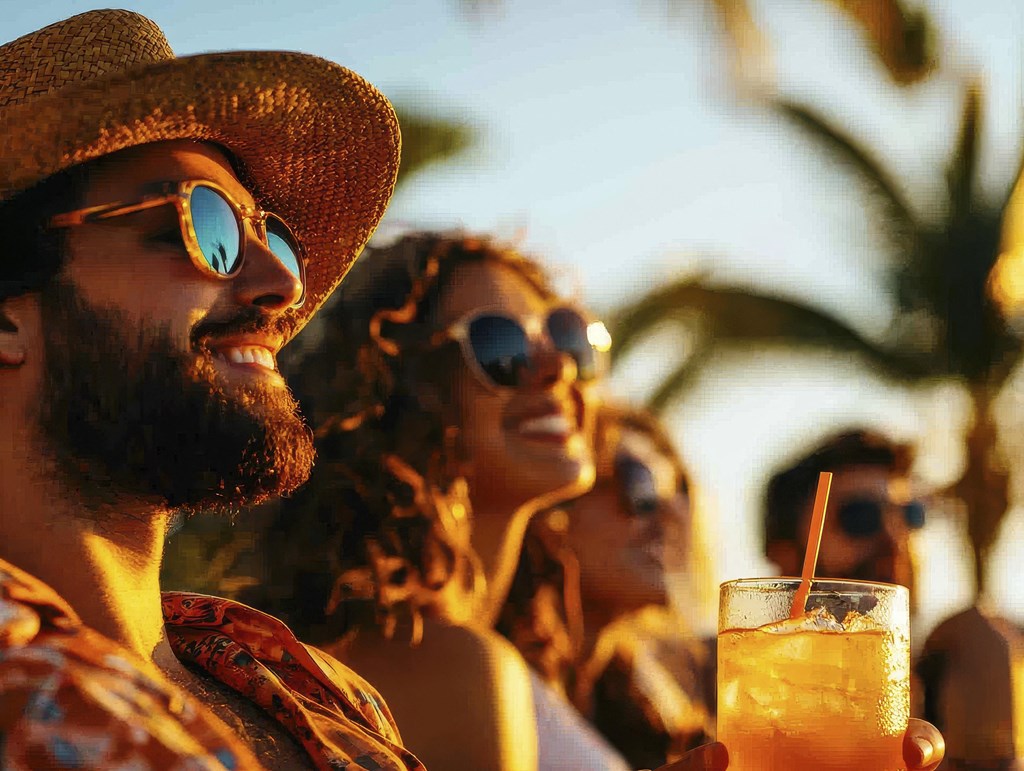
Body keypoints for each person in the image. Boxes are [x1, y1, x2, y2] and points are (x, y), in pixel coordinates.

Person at [0, 9, 423, 769]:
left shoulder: (315, 687)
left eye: (274, 236)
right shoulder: (15, 691)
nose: (281, 284)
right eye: (207, 224)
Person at [240, 230, 627, 770]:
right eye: (500, 346)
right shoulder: (449, 665)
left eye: (567, 337)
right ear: (398, 393)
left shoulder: (493, 650)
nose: (556, 367)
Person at [500, 404, 716, 770]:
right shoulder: (492, 681)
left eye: (679, 492)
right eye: (641, 484)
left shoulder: (647, 701)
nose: (672, 516)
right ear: (554, 502)